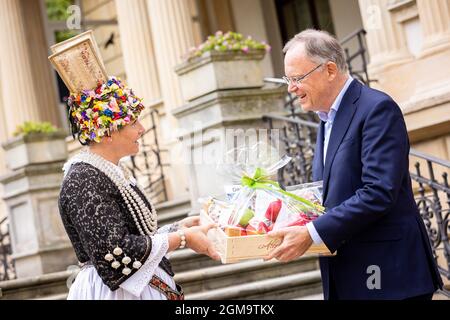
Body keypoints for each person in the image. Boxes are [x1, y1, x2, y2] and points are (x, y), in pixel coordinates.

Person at [266, 29, 443, 300]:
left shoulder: (377, 109)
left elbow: (378, 192)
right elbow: (336, 191)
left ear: (330, 70)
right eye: (287, 79)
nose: (291, 88)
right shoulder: (325, 119)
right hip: (349, 274)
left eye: (297, 78)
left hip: (389, 277)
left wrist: (312, 233)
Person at [52, 34, 219, 300]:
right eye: (133, 123)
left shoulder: (107, 171)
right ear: (106, 132)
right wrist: (184, 239)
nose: (141, 129)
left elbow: (137, 238)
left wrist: (178, 228)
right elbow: (115, 252)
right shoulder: (83, 180)